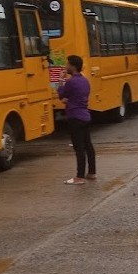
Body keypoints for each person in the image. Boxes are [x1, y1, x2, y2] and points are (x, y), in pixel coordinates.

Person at [58, 55, 96, 185]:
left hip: (74, 116)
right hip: (85, 115)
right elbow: (79, 96)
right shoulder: (85, 81)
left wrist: (61, 80)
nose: (66, 66)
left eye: (67, 64)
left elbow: (61, 96)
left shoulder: (71, 82)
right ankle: (92, 172)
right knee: (88, 145)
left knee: (78, 147)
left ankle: (79, 177)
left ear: (73, 66)